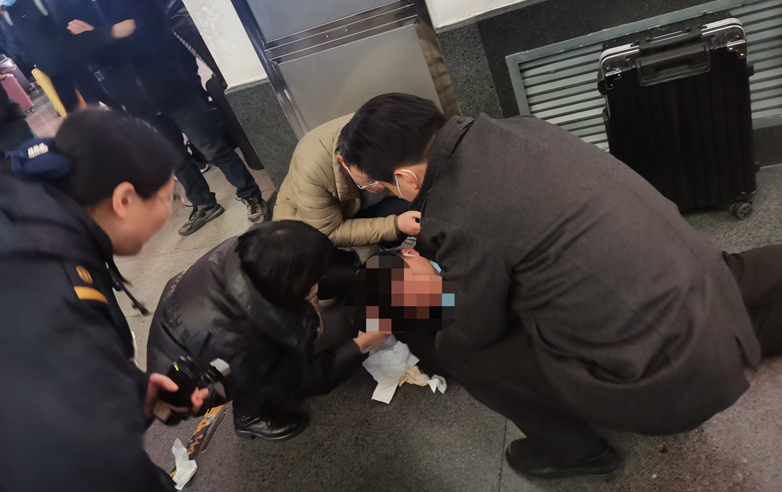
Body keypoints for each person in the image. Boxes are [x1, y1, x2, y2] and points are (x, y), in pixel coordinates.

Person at [340, 93, 782, 480]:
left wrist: (431, 286)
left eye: (379, 184)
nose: (382, 191)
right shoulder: (519, 129)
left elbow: (474, 327)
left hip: (670, 381)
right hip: (699, 274)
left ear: (407, 178)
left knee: (459, 348)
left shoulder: (456, 213)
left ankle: (574, 452)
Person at [0, 108, 209, 491]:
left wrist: (129, 391)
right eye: (169, 197)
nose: (170, 210)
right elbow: (90, 468)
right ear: (124, 199)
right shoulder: (54, 289)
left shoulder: (30, 215)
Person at [146, 220, 388, 441]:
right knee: (262, 370)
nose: (315, 283)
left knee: (292, 323)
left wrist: (361, 278)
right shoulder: (244, 339)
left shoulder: (254, 251)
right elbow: (298, 380)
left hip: (191, 321)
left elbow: (304, 275)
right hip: (192, 380)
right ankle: (250, 416)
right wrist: (361, 344)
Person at [57, 0, 271, 235]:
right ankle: (204, 204)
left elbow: (149, 34)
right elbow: (75, 52)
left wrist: (96, 36)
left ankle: (251, 195)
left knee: (213, 148)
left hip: (174, 87)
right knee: (174, 159)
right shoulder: (73, 7)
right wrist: (113, 32)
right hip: (135, 101)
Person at [274, 113, 421, 248]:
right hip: (319, 223)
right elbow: (330, 231)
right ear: (343, 162)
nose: (381, 186)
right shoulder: (313, 171)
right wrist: (395, 225)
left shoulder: (387, 130)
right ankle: (385, 247)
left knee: (416, 205)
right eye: (371, 178)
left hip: (355, 202)